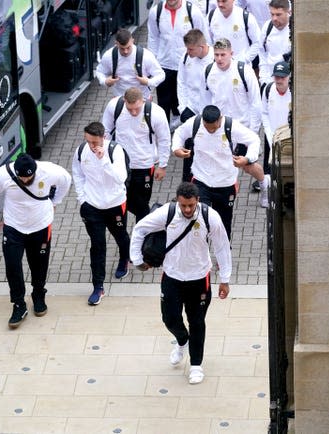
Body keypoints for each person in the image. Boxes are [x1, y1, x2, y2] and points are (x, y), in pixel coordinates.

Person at [129, 182, 232, 384]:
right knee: (169, 319)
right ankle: (181, 340)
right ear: (178, 201)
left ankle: (196, 365)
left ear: (197, 201)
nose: (187, 209)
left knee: (197, 322)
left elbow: (222, 247)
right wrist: (137, 260)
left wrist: (225, 279)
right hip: (172, 277)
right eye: (183, 205)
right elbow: (140, 229)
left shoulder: (210, 217)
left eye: (191, 205)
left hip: (199, 278)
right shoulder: (167, 214)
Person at [0, 153, 72, 328]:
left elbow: (66, 179)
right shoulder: (2, 175)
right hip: (13, 227)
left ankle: (39, 294)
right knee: (12, 266)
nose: (25, 180)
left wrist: (55, 201)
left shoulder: (49, 171)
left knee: (39, 264)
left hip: (40, 226)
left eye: (29, 177)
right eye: (22, 177)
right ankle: (18, 304)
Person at [172, 105, 266, 239]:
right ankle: (202, 257)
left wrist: (247, 158)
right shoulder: (195, 123)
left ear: (220, 119)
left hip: (225, 183)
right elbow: (180, 133)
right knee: (199, 220)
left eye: (214, 128)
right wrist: (176, 148)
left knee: (223, 224)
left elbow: (254, 140)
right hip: (201, 180)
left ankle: (223, 257)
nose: (210, 131)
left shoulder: (231, 126)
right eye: (207, 127)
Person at [72, 122, 131, 305]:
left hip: (115, 204)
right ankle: (98, 286)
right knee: (97, 246)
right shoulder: (81, 151)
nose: (91, 145)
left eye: (95, 142)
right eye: (88, 141)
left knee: (121, 236)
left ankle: (124, 258)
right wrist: (83, 199)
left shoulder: (115, 151)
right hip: (92, 207)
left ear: (103, 137)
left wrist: (103, 159)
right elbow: (78, 174)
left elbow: (121, 178)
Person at [101, 87, 171, 222]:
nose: (134, 112)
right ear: (124, 101)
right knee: (122, 201)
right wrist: (106, 157)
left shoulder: (156, 113)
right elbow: (106, 131)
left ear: (143, 101)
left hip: (144, 165)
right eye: (130, 108)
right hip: (120, 164)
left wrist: (162, 165)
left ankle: (142, 234)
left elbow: (164, 139)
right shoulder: (114, 107)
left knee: (142, 204)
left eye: (137, 108)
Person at [147, 0, 209, 126]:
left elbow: (203, 37)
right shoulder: (156, 12)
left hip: (188, 64)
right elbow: (153, 38)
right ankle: (164, 130)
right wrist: (152, 64)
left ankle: (181, 129)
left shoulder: (193, 12)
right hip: (164, 64)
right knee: (164, 102)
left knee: (181, 100)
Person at [204, 38, 262, 133]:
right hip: (219, 128)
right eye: (216, 55)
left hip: (242, 127)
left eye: (223, 55)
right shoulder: (208, 71)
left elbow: (255, 103)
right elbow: (205, 101)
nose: (219, 59)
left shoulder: (245, 71)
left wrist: (253, 131)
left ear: (231, 54)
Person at [95, 28, 166, 101]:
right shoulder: (109, 56)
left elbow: (161, 75)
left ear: (132, 41)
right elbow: (100, 71)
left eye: (128, 47)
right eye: (122, 48)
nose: (126, 51)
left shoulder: (146, 56)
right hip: (120, 100)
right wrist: (105, 81)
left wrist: (148, 82)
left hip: (142, 100)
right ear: (116, 43)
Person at [260, 60, 291, 176]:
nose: (279, 80)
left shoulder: (294, 92)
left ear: (289, 77)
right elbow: (264, 113)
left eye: (282, 77)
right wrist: (269, 134)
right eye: (276, 77)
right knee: (269, 171)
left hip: (288, 139)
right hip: (271, 136)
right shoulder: (268, 90)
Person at [207, 0, 261, 66]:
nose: (220, 4)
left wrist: (245, 59)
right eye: (218, 1)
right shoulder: (211, 16)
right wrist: (216, 57)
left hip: (241, 68)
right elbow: (208, 42)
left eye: (224, 1)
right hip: (219, 67)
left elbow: (257, 42)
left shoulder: (245, 17)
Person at [177, 29, 213, 123]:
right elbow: (181, 82)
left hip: (209, 109)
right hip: (191, 107)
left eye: (191, 49)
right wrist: (182, 107)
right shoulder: (185, 58)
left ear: (202, 47)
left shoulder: (216, 59)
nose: (188, 52)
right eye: (187, 48)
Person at [257, 0, 291, 88]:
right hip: (269, 81)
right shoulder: (267, 27)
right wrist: (263, 79)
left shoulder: (295, 29)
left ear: (288, 12)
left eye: (278, 14)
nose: (274, 18)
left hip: (288, 82)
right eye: (272, 14)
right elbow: (262, 54)